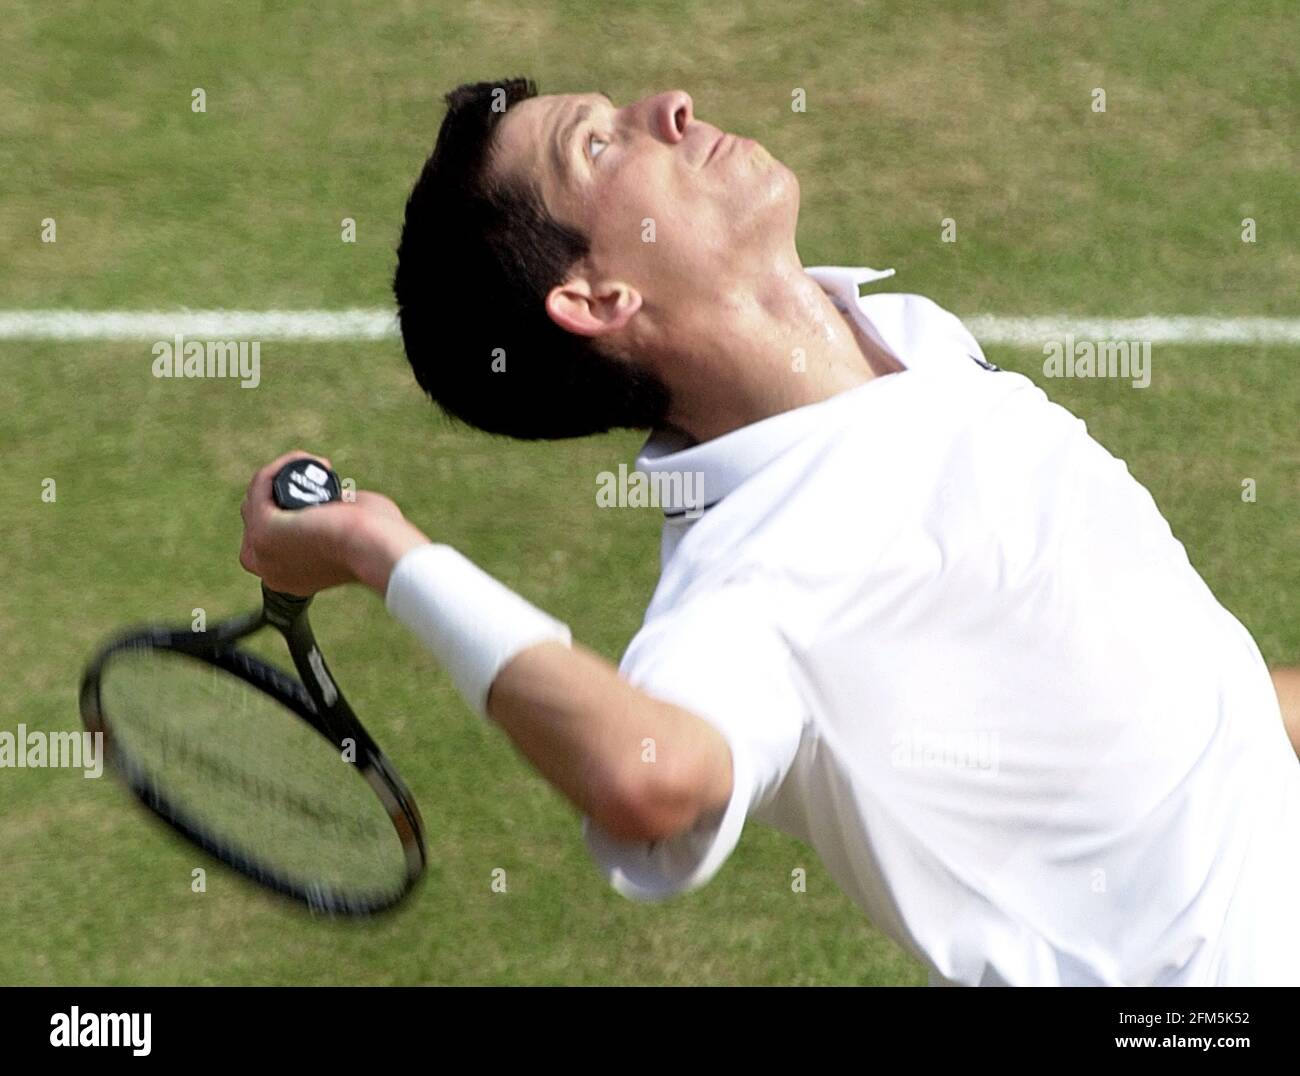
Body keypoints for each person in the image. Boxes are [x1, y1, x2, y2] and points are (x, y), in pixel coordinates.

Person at [238, 79, 1300, 986]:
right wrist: (381, 548)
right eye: (601, 143)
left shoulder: (917, 344)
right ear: (598, 295)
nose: (671, 104)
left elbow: (1168, 702)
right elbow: (643, 773)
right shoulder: (750, 580)